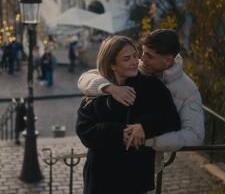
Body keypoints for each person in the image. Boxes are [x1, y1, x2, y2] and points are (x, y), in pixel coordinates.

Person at [78, 29, 205, 171]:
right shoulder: (134, 66)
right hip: (103, 169)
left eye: (149, 56)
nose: (141, 60)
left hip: (142, 165)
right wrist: (109, 88)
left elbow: (194, 135)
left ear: (168, 61)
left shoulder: (187, 89)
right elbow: (87, 77)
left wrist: (145, 135)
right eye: (142, 52)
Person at [76, 35, 181, 194]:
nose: (134, 62)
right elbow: (84, 131)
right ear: (112, 64)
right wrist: (117, 133)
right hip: (101, 178)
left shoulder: (151, 87)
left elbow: (172, 120)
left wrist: (144, 126)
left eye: (134, 56)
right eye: (127, 59)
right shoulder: (97, 91)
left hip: (135, 177)